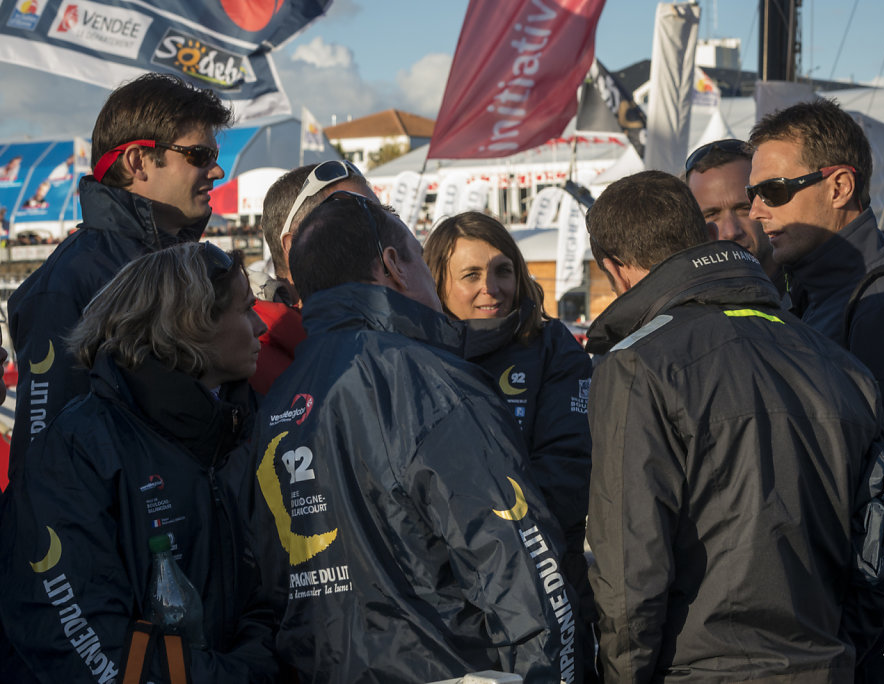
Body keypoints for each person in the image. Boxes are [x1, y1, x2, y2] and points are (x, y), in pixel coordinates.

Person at [583, 170, 884, 683]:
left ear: (616, 270)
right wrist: (841, 644)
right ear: (699, 237)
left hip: (700, 669)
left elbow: (630, 573)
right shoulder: (829, 356)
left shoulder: (638, 365)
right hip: (824, 662)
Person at [251, 191, 579, 683]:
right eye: (420, 260)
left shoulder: (277, 403)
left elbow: (275, 588)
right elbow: (519, 567)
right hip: (448, 668)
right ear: (393, 266)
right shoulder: (427, 380)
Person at [748, 98, 884, 683]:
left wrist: (848, 641)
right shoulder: (818, 297)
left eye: (772, 191)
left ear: (839, 185)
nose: (755, 211)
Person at [0, 242, 275, 683]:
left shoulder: (253, 425)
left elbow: (281, 589)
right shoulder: (78, 449)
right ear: (193, 325)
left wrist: (260, 661)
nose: (261, 325)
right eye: (245, 310)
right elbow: (83, 641)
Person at [5, 72, 231, 484]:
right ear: (137, 162)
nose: (216, 171)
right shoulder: (68, 283)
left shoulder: (189, 266)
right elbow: (48, 467)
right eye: (199, 155)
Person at [423, 211, 595, 676]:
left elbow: (569, 464)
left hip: (545, 579)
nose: (491, 288)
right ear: (437, 282)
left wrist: (502, 548)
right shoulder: (416, 356)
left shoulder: (551, 344)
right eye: (471, 275)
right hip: (447, 598)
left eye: (503, 271)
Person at [249, 159, 378, 395]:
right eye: (354, 223)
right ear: (295, 247)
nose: (381, 237)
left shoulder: (378, 336)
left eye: (381, 219)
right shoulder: (251, 365)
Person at [682, 138, 783, 292]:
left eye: (743, 209)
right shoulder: (682, 303)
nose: (731, 232)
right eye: (712, 215)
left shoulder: (815, 290)